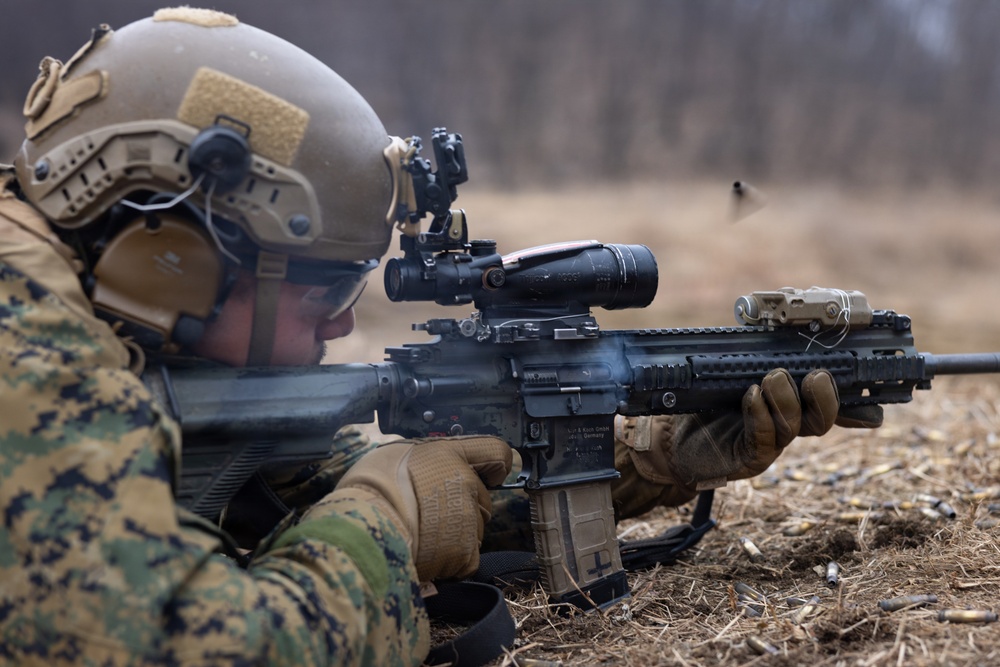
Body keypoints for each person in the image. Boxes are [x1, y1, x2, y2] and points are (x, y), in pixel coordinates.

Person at [0, 7, 880, 666]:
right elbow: (206, 649)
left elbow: (324, 489)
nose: (344, 321)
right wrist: (384, 513)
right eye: (326, 289)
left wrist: (651, 458)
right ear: (177, 258)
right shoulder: (30, 360)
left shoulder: (117, 317)